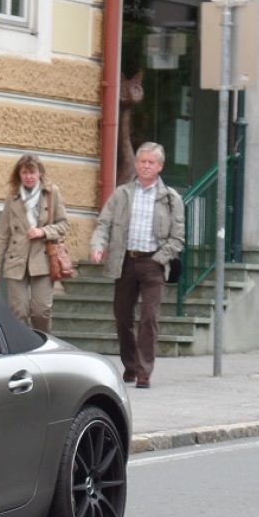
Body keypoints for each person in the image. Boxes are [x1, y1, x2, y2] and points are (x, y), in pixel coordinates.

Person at [89, 142, 184, 388]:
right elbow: (104, 224)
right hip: (126, 263)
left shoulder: (171, 199)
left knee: (149, 319)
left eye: (151, 162)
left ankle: (144, 371)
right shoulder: (122, 194)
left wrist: (159, 258)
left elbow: (177, 239)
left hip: (154, 263)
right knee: (122, 317)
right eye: (142, 161)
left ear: (160, 166)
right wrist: (98, 246)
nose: (145, 166)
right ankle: (129, 364)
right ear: (136, 164)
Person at [0, 154, 70, 334]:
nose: (29, 176)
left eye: (32, 172)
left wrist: (43, 231)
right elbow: (2, 235)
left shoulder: (51, 193)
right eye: (25, 172)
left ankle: (42, 344)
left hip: (43, 259)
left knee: (41, 311)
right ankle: (23, 347)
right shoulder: (13, 198)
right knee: (19, 312)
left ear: (40, 173)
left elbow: (64, 225)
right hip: (17, 259)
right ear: (19, 175)